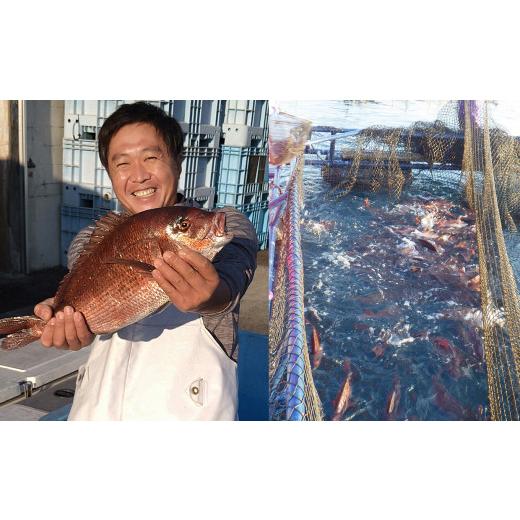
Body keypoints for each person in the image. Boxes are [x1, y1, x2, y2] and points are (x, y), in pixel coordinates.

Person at [34, 102, 258, 420]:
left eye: (151, 157)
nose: (138, 176)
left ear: (178, 163)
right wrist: (63, 318)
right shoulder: (93, 238)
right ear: (110, 175)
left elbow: (237, 270)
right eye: (122, 164)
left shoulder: (225, 224)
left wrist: (215, 295)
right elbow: (84, 288)